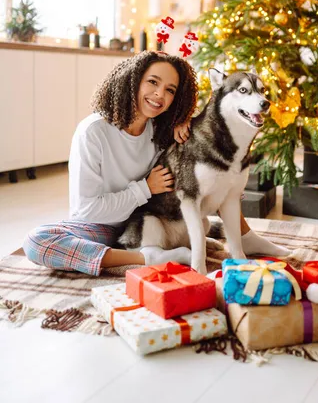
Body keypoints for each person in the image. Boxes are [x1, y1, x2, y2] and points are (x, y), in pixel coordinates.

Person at [23, 51, 288, 277]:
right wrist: (144, 189)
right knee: (37, 242)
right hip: (101, 226)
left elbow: (208, 169)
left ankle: (234, 239)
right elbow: (88, 210)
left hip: (159, 219)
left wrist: (186, 121)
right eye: (152, 82)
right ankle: (149, 258)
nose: (160, 94)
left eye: (170, 90)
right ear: (132, 81)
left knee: (214, 192)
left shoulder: (165, 130)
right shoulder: (93, 132)